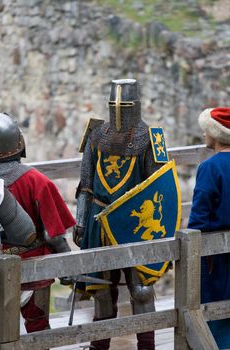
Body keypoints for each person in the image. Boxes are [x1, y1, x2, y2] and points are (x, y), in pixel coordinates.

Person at [74, 79, 164, 350]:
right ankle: (99, 346)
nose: (117, 110)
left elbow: (158, 188)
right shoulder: (95, 134)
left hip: (135, 222)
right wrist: (80, 220)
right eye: (114, 104)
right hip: (98, 221)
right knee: (101, 291)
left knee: (141, 290)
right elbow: (85, 185)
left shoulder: (152, 137)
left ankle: (146, 346)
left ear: (134, 106)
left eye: (123, 105)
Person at [0, 112, 76, 333]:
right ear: (18, 143)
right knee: (38, 328)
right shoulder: (36, 180)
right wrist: (69, 268)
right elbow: (53, 235)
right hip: (33, 266)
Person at [188, 107, 230, 349]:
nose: (204, 135)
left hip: (216, 259)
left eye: (207, 131)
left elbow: (198, 219)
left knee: (215, 315)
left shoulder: (210, 168)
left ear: (216, 134)